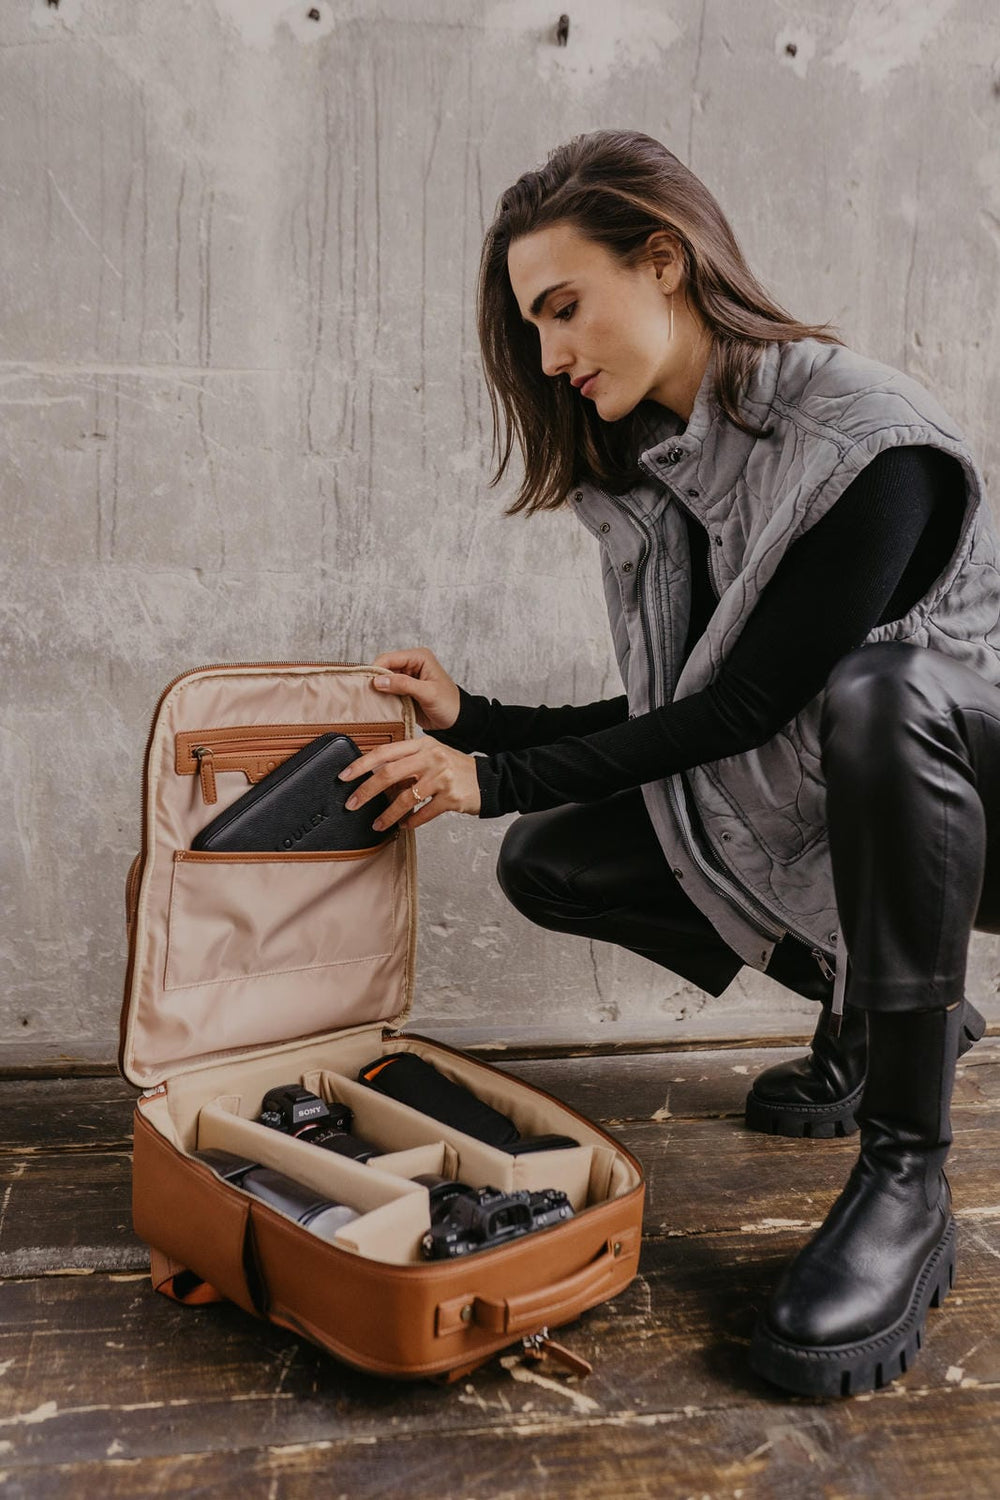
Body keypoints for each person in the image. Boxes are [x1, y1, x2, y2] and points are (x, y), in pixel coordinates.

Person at [336, 130, 1000, 1397]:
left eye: (563, 308)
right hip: (841, 790)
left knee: (886, 688)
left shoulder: (866, 438)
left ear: (666, 260)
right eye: (532, 329)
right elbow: (685, 704)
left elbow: (750, 705)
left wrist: (490, 775)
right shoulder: (669, 470)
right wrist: (475, 721)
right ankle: (873, 1011)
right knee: (559, 860)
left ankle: (907, 1173)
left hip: (981, 805)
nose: (550, 357)